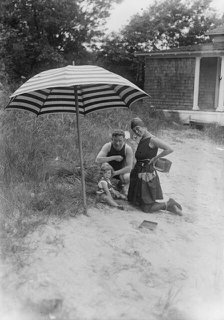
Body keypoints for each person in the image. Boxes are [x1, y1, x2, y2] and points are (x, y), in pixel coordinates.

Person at [128, 117, 182, 215]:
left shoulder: (152, 139)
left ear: (144, 127)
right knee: (135, 202)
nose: (136, 131)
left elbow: (169, 149)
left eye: (138, 128)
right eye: (134, 130)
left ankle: (169, 204)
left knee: (146, 207)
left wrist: (156, 158)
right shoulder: (142, 139)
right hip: (138, 172)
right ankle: (167, 207)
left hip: (146, 174)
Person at [95, 129, 133, 194]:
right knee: (105, 164)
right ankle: (108, 187)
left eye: (120, 141)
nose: (117, 143)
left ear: (124, 139)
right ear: (112, 139)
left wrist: (115, 173)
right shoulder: (108, 146)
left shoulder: (127, 149)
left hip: (120, 172)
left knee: (129, 176)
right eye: (115, 140)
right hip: (107, 171)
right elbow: (97, 160)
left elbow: (129, 167)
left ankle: (122, 187)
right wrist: (114, 157)